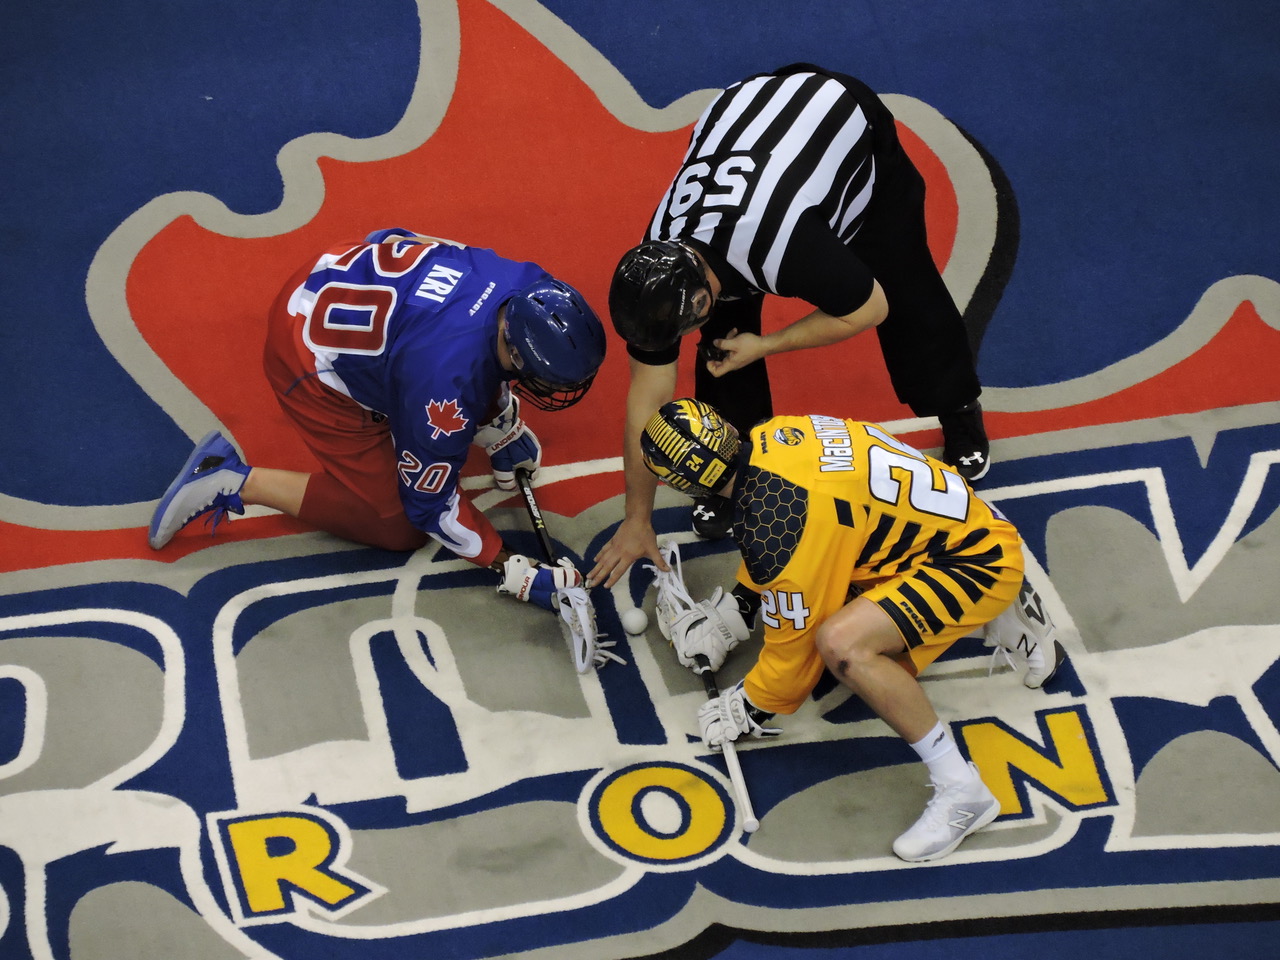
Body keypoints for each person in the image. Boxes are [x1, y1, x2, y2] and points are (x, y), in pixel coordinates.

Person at [592, 63, 989, 589]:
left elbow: (868, 308)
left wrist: (769, 344)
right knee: (720, 348)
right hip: (745, 121)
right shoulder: (660, 256)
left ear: (704, 292)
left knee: (906, 283)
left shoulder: (784, 248)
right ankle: (732, 472)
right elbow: (647, 395)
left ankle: (959, 407)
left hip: (847, 125)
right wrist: (636, 518)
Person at [639, 398, 1064, 862]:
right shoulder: (776, 434)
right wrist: (738, 609)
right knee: (855, 629)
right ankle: (995, 609)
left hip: (971, 562)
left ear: (677, 482)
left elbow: (793, 646)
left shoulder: (774, 518)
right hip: (957, 527)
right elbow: (804, 536)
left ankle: (962, 790)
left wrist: (752, 705)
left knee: (845, 651)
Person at [148, 228, 606, 611]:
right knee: (396, 525)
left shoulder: (528, 283)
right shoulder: (443, 387)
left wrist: (498, 420)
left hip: (351, 275)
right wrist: (512, 568)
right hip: (306, 361)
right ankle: (231, 478)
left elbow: (478, 343)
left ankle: (464, 404)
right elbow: (430, 506)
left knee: (467, 370)